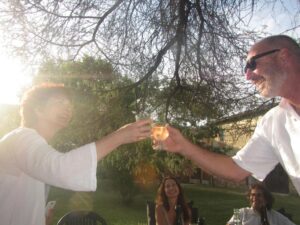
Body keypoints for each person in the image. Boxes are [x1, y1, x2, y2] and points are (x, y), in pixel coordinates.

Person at [159, 35, 300, 194]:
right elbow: (236, 170)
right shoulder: (273, 123)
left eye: (252, 64)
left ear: (284, 57)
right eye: (245, 69)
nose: (248, 76)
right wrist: (184, 147)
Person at [0, 83, 152, 225]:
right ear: (38, 109)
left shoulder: (34, 145)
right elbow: (61, 169)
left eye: (70, 104)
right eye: (60, 102)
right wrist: (120, 136)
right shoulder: (21, 138)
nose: (68, 108)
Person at [226, 183, 296, 225]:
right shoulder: (240, 212)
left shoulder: (274, 216)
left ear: (266, 199)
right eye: (252, 195)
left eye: (259, 195)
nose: (255, 198)